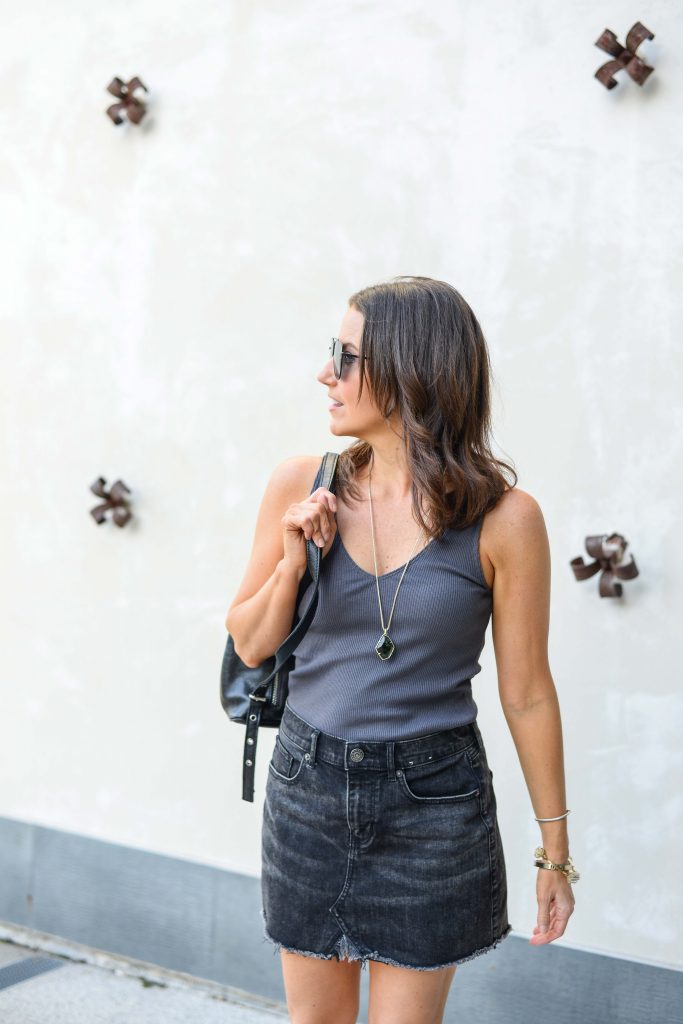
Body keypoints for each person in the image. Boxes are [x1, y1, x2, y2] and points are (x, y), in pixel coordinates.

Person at [226, 275, 577, 1024]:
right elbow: (250, 642)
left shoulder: (504, 520)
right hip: (308, 790)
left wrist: (554, 852)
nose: (326, 374)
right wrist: (293, 560)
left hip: (433, 806)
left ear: (411, 368)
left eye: (345, 357)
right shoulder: (302, 483)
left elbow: (526, 691)